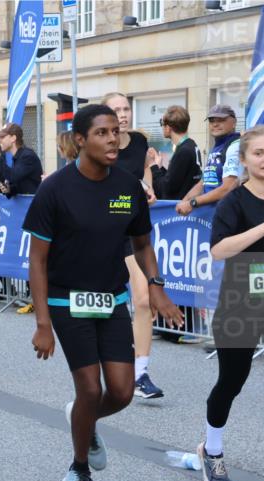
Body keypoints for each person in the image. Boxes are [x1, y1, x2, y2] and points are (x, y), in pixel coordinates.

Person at [24, 105, 183, 481]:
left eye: (115, 131)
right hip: (66, 299)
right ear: (80, 140)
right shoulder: (55, 189)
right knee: (90, 389)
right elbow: (37, 260)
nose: (113, 139)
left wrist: (157, 286)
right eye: (102, 133)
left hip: (112, 298)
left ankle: (83, 418)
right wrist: (43, 323)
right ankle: (78, 470)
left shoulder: (127, 186)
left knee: (123, 391)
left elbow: (142, 243)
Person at [197, 127, 264, 481]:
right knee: (232, 379)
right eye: (258, 153)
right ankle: (213, 449)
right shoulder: (234, 202)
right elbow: (219, 250)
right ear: (244, 160)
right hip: (242, 294)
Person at [101, 92, 166, 398]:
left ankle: (139, 374)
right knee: (106, 302)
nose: (123, 114)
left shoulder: (140, 142)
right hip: (103, 231)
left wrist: (148, 189)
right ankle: (110, 359)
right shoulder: (100, 145)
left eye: (126, 108)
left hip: (132, 233)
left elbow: (145, 175)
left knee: (142, 300)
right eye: (117, 110)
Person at [177, 104, 242, 216]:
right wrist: (184, 201)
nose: (215, 124)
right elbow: (204, 182)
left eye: (221, 120)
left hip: (229, 215)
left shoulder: (235, 146)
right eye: (212, 121)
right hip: (213, 215)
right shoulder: (218, 146)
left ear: (234, 123)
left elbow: (228, 187)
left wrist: (192, 202)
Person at [150, 105, 202, 200]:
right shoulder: (191, 145)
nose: (162, 127)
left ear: (168, 128)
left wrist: (153, 166)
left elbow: (166, 189)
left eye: (162, 123)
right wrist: (160, 168)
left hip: (178, 211)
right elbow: (176, 178)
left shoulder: (183, 151)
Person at [0, 123, 42, 196]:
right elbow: (22, 183)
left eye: (2, 137)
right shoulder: (18, 156)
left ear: (13, 138)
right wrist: (9, 189)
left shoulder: (27, 156)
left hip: (32, 205)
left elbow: (13, 176)